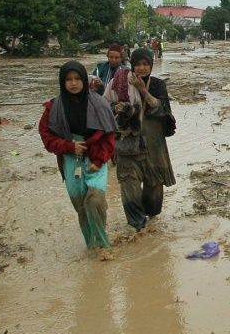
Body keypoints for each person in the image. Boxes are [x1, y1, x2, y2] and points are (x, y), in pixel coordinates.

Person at [38, 61, 118, 261]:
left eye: (77, 79)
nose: (73, 83)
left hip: (95, 157)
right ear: (62, 82)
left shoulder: (99, 103)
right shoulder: (53, 108)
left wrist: (99, 161)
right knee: (81, 205)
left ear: (84, 79)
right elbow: (47, 137)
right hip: (70, 159)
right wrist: (68, 146)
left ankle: (103, 244)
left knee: (95, 200)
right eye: (68, 80)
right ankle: (90, 245)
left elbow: (109, 137)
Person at [103, 48, 176, 232]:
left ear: (151, 65)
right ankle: (137, 227)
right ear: (132, 65)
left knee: (154, 190)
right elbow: (105, 106)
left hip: (153, 145)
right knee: (129, 187)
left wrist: (143, 90)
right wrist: (117, 107)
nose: (142, 68)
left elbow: (162, 110)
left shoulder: (158, 85)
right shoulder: (119, 82)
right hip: (128, 145)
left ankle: (151, 226)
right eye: (138, 64)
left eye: (146, 64)